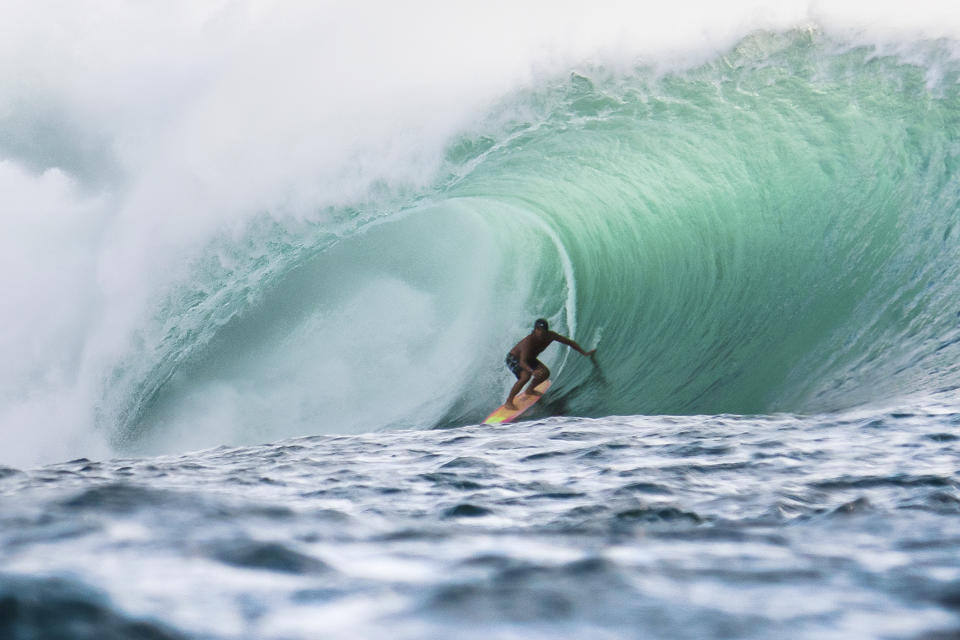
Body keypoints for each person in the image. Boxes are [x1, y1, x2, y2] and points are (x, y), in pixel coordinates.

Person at [503, 318, 596, 409]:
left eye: (544, 331)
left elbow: (570, 342)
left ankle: (529, 390)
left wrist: (584, 352)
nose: (542, 333)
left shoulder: (550, 336)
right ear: (535, 330)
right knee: (525, 376)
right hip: (514, 358)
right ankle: (509, 401)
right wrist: (532, 371)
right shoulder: (529, 341)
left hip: (529, 358)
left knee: (545, 373)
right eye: (539, 330)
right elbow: (522, 362)